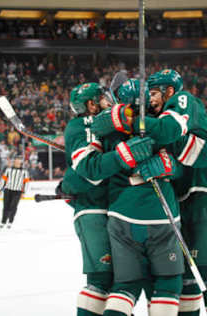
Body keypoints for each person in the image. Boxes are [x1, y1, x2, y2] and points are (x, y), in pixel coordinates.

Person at [91, 70, 207, 315]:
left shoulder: (180, 100)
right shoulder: (150, 118)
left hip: (203, 193)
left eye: (155, 93)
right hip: (180, 201)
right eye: (148, 94)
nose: (151, 98)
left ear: (169, 92)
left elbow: (189, 147)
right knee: (187, 276)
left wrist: (133, 123)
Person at [62, 83, 153, 316]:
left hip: (110, 210)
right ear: (91, 104)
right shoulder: (81, 125)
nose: (107, 100)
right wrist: (70, 181)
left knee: (118, 280)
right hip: (93, 210)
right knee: (101, 279)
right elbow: (89, 172)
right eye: (102, 98)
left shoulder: (102, 123)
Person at [0, 156, 29, 229]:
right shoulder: (9, 170)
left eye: (19, 160)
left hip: (17, 191)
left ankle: (10, 221)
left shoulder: (24, 171)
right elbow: (4, 180)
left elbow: (26, 182)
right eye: (16, 159)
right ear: (14, 161)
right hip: (8, 190)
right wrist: (0, 189)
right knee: (6, 206)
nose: (18, 161)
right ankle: (3, 221)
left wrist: (23, 192)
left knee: (13, 206)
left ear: (21, 162)